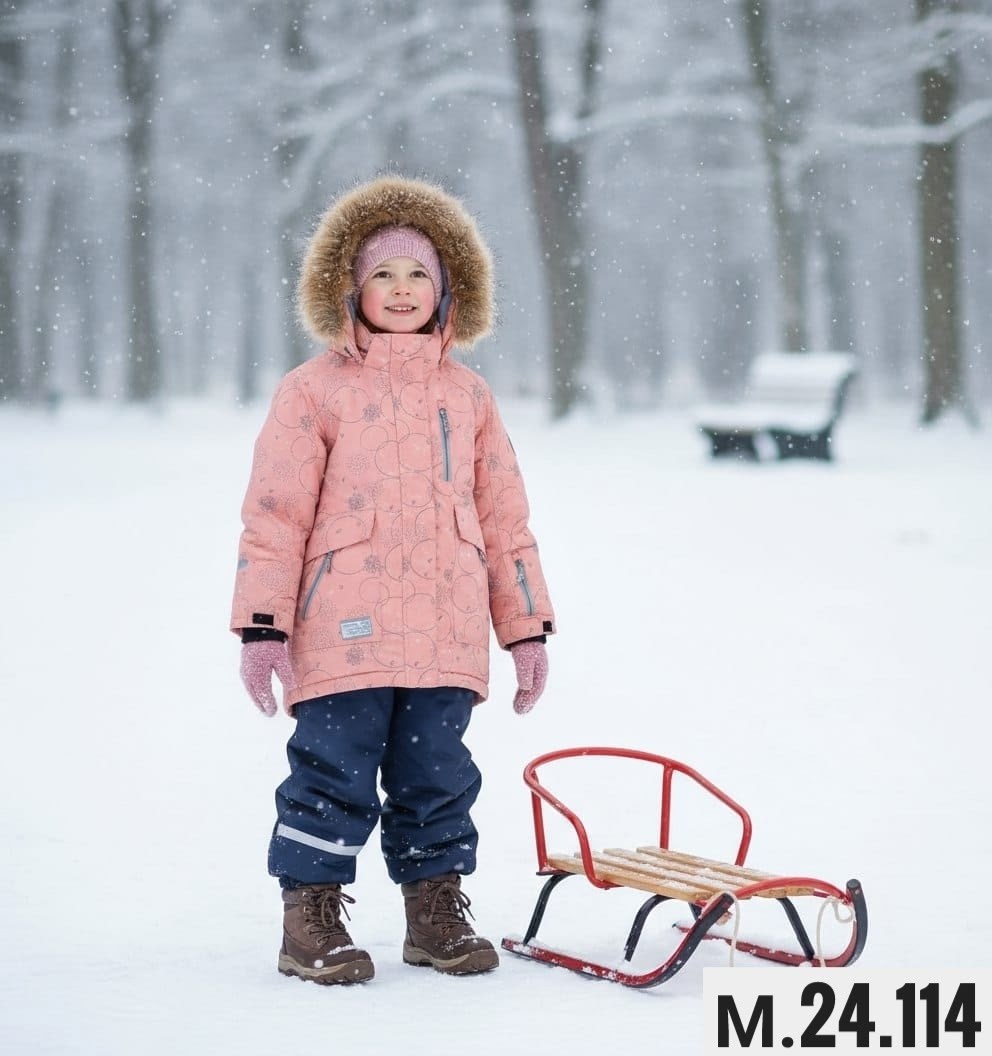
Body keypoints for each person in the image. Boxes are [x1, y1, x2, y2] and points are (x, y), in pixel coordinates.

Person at [230, 175, 555, 985]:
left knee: (438, 777)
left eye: (419, 276)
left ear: (448, 291)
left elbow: (506, 519)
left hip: (447, 631)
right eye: (384, 274)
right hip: (343, 627)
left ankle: (435, 909)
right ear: (350, 286)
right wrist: (264, 625)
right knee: (331, 771)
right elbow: (274, 515)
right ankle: (311, 913)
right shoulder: (313, 392)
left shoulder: (468, 396)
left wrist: (524, 628)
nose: (402, 291)